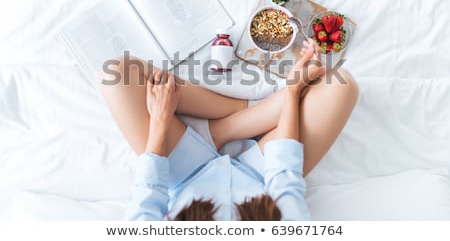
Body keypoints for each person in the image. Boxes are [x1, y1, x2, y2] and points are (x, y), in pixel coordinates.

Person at [99, 39, 359, 220]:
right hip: (261, 174)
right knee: (341, 85)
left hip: (185, 174)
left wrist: (161, 119)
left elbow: (148, 192)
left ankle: (229, 120)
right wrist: (292, 91)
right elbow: (284, 177)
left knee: (118, 74)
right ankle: (236, 119)